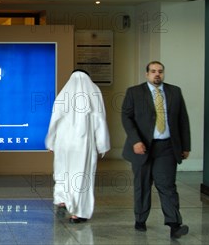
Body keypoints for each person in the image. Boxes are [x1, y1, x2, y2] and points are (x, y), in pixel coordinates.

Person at [121, 61, 191, 239]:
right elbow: (126, 118)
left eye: (160, 71)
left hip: (166, 147)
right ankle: (140, 219)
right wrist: (135, 141)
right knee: (142, 186)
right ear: (146, 74)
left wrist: (185, 146)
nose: (157, 74)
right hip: (142, 148)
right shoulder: (134, 92)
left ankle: (175, 225)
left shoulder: (174, 91)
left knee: (167, 186)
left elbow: (183, 119)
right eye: (153, 71)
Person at [45, 70, 110, 223]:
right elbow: (100, 120)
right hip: (83, 143)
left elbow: (54, 119)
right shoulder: (93, 91)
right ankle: (77, 213)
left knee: (62, 172)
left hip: (63, 143)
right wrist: (102, 144)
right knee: (81, 176)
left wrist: (51, 141)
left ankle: (61, 200)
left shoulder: (64, 93)